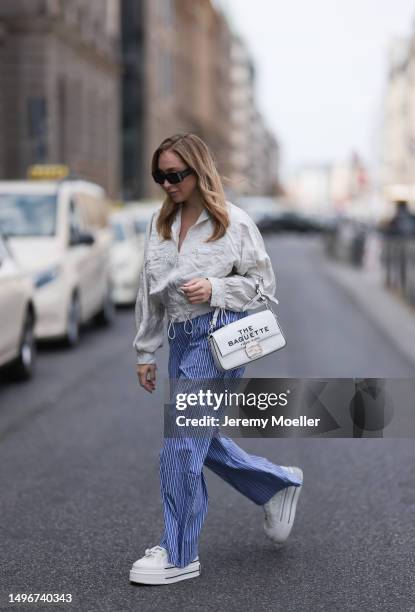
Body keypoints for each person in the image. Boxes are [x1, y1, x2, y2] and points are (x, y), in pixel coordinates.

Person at [129, 133, 303, 586]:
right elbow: (149, 294)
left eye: (175, 175)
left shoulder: (233, 222)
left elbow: (264, 287)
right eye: (159, 175)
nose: (166, 184)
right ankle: (277, 482)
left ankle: (180, 553)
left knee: (182, 444)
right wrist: (146, 349)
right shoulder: (158, 224)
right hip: (181, 340)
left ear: (198, 172)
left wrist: (216, 288)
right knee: (196, 436)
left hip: (217, 340)